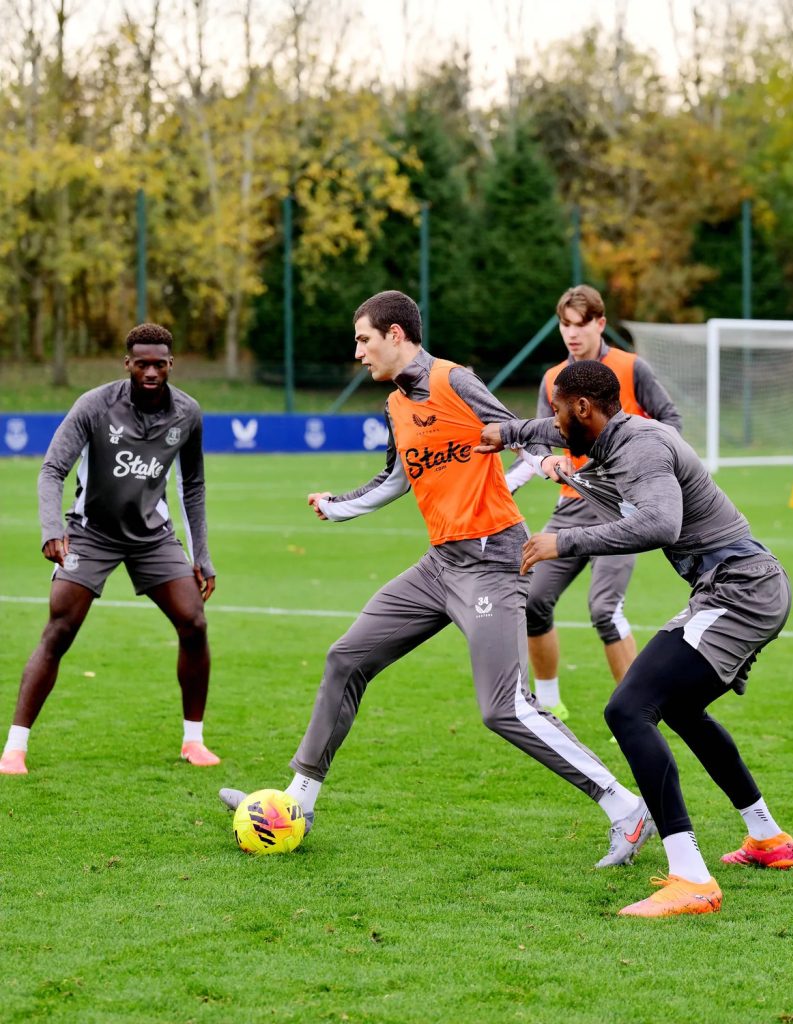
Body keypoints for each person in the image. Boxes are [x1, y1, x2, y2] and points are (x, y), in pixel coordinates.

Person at [219, 289, 656, 869]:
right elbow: (397, 477)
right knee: (346, 658)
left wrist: (549, 464)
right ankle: (299, 801)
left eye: (364, 340)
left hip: (491, 561)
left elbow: (524, 429)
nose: (357, 353)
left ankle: (627, 809)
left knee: (502, 708)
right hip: (439, 564)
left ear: (396, 336)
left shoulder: (454, 380)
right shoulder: (397, 405)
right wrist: (337, 506)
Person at [477, 359, 793, 917]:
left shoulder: (643, 447)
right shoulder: (604, 433)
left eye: (558, 408)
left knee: (628, 709)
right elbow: (551, 435)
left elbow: (659, 526)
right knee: (682, 711)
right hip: (733, 588)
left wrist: (563, 542)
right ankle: (768, 839)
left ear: (583, 408)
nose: (551, 419)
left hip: (740, 591)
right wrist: (504, 434)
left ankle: (692, 880)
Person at [0, 323, 220, 775]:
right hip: (91, 533)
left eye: (160, 364)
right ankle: (15, 747)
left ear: (171, 364)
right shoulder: (95, 405)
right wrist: (52, 529)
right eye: (143, 363)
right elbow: (52, 470)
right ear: (128, 364)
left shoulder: (188, 414)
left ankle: (193, 741)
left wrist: (202, 554)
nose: (152, 371)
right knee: (60, 627)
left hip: (152, 536)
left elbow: (192, 486)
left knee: (193, 621)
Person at [505, 285, 681, 718]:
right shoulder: (551, 379)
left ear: (600, 324)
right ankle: (547, 705)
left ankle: (640, 710)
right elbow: (537, 440)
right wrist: (528, 472)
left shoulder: (630, 367)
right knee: (533, 601)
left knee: (604, 609)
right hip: (570, 504)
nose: (572, 333)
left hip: (623, 505)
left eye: (580, 324)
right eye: (565, 324)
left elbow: (671, 422)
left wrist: (646, 466)